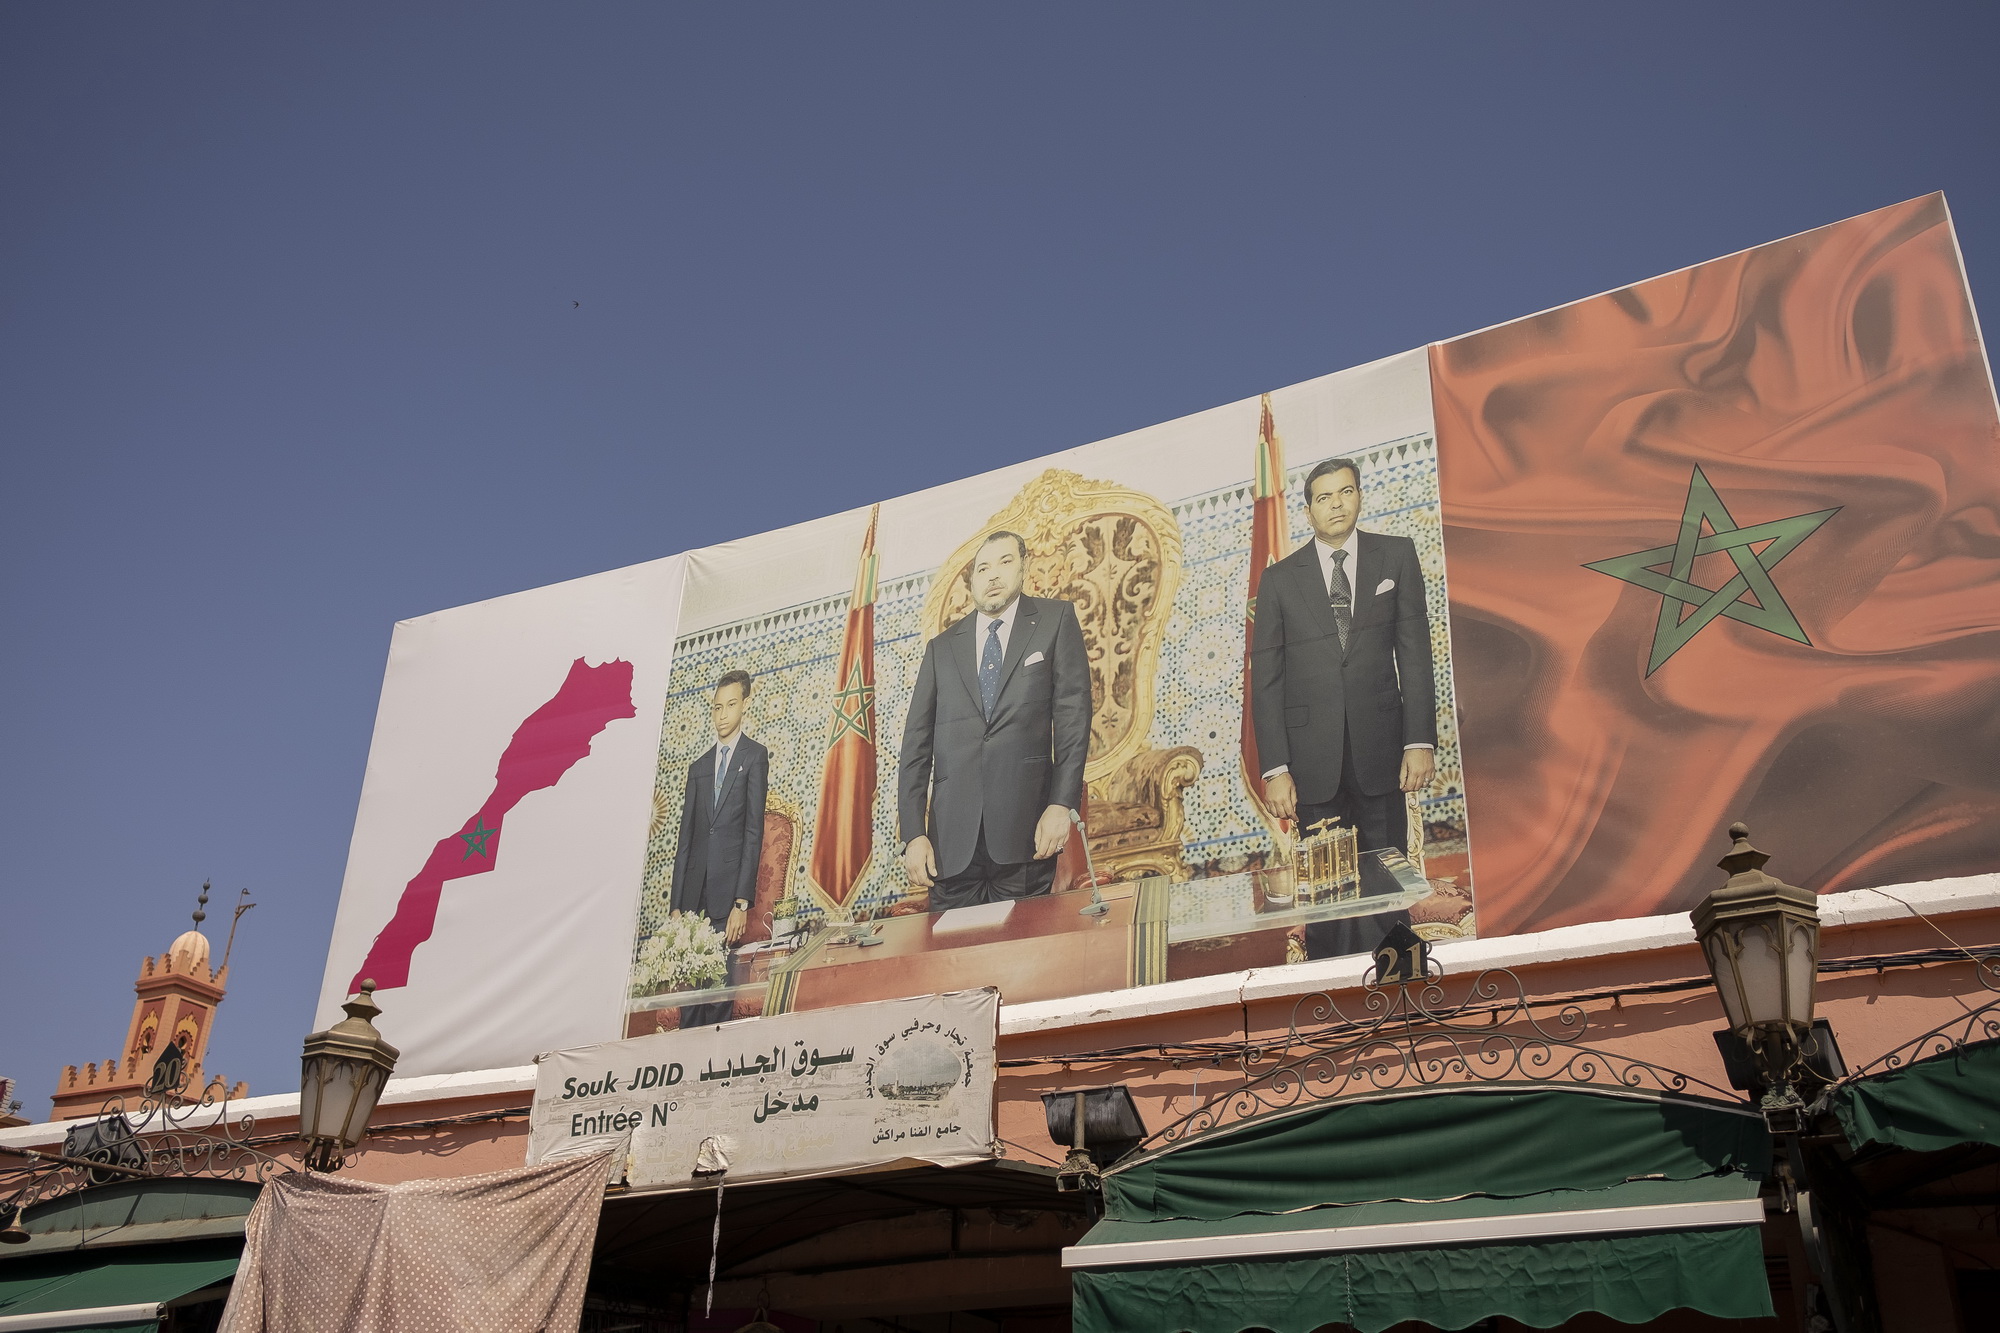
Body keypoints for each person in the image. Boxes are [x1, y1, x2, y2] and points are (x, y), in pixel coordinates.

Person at [1250, 457, 1436, 959]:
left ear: (1359, 496)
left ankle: (1399, 995)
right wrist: (1276, 769)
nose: (1336, 504)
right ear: (1308, 510)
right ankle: (1332, 996)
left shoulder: (1395, 556)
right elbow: (1264, 683)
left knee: (1388, 883)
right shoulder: (1280, 580)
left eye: (1345, 492)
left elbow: (1415, 654)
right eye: (1324, 497)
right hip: (1310, 763)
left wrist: (1419, 741)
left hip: (1382, 751)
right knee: (1324, 891)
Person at [899, 531, 1092, 910]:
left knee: (1021, 962)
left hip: (1025, 835)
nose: (992, 575)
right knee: (953, 961)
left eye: (1004, 562)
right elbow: (915, 745)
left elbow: (1073, 719)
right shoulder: (941, 648)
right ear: (971, 580)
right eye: (982, 568)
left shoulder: (1055, 620)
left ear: (1024, 567)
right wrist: (913, 834)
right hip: (950, 846)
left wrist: (1060, 806)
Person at [668, 669, 768, 1024]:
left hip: (727, 901)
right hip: (693, 899)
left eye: (730, 705)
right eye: (716, 707)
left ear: (745, 705)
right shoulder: (698, 768)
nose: (722, 714)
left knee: (717, 996)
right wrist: (677, 906)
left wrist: (742, 903)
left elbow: (753, 832)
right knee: (691, 998)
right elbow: (686, 839)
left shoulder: (755, 757)